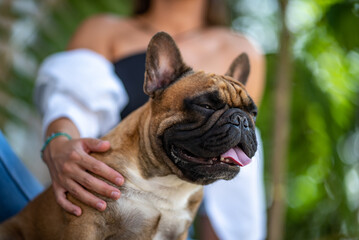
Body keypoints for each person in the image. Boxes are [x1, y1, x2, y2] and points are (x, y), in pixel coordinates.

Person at [20, 0, 266, 239]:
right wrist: (60, 142)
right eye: (204, 105)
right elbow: (72, 98)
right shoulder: (104, 29)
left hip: (173, 219)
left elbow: (230, 162)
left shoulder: (240, 48)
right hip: (96, 195)